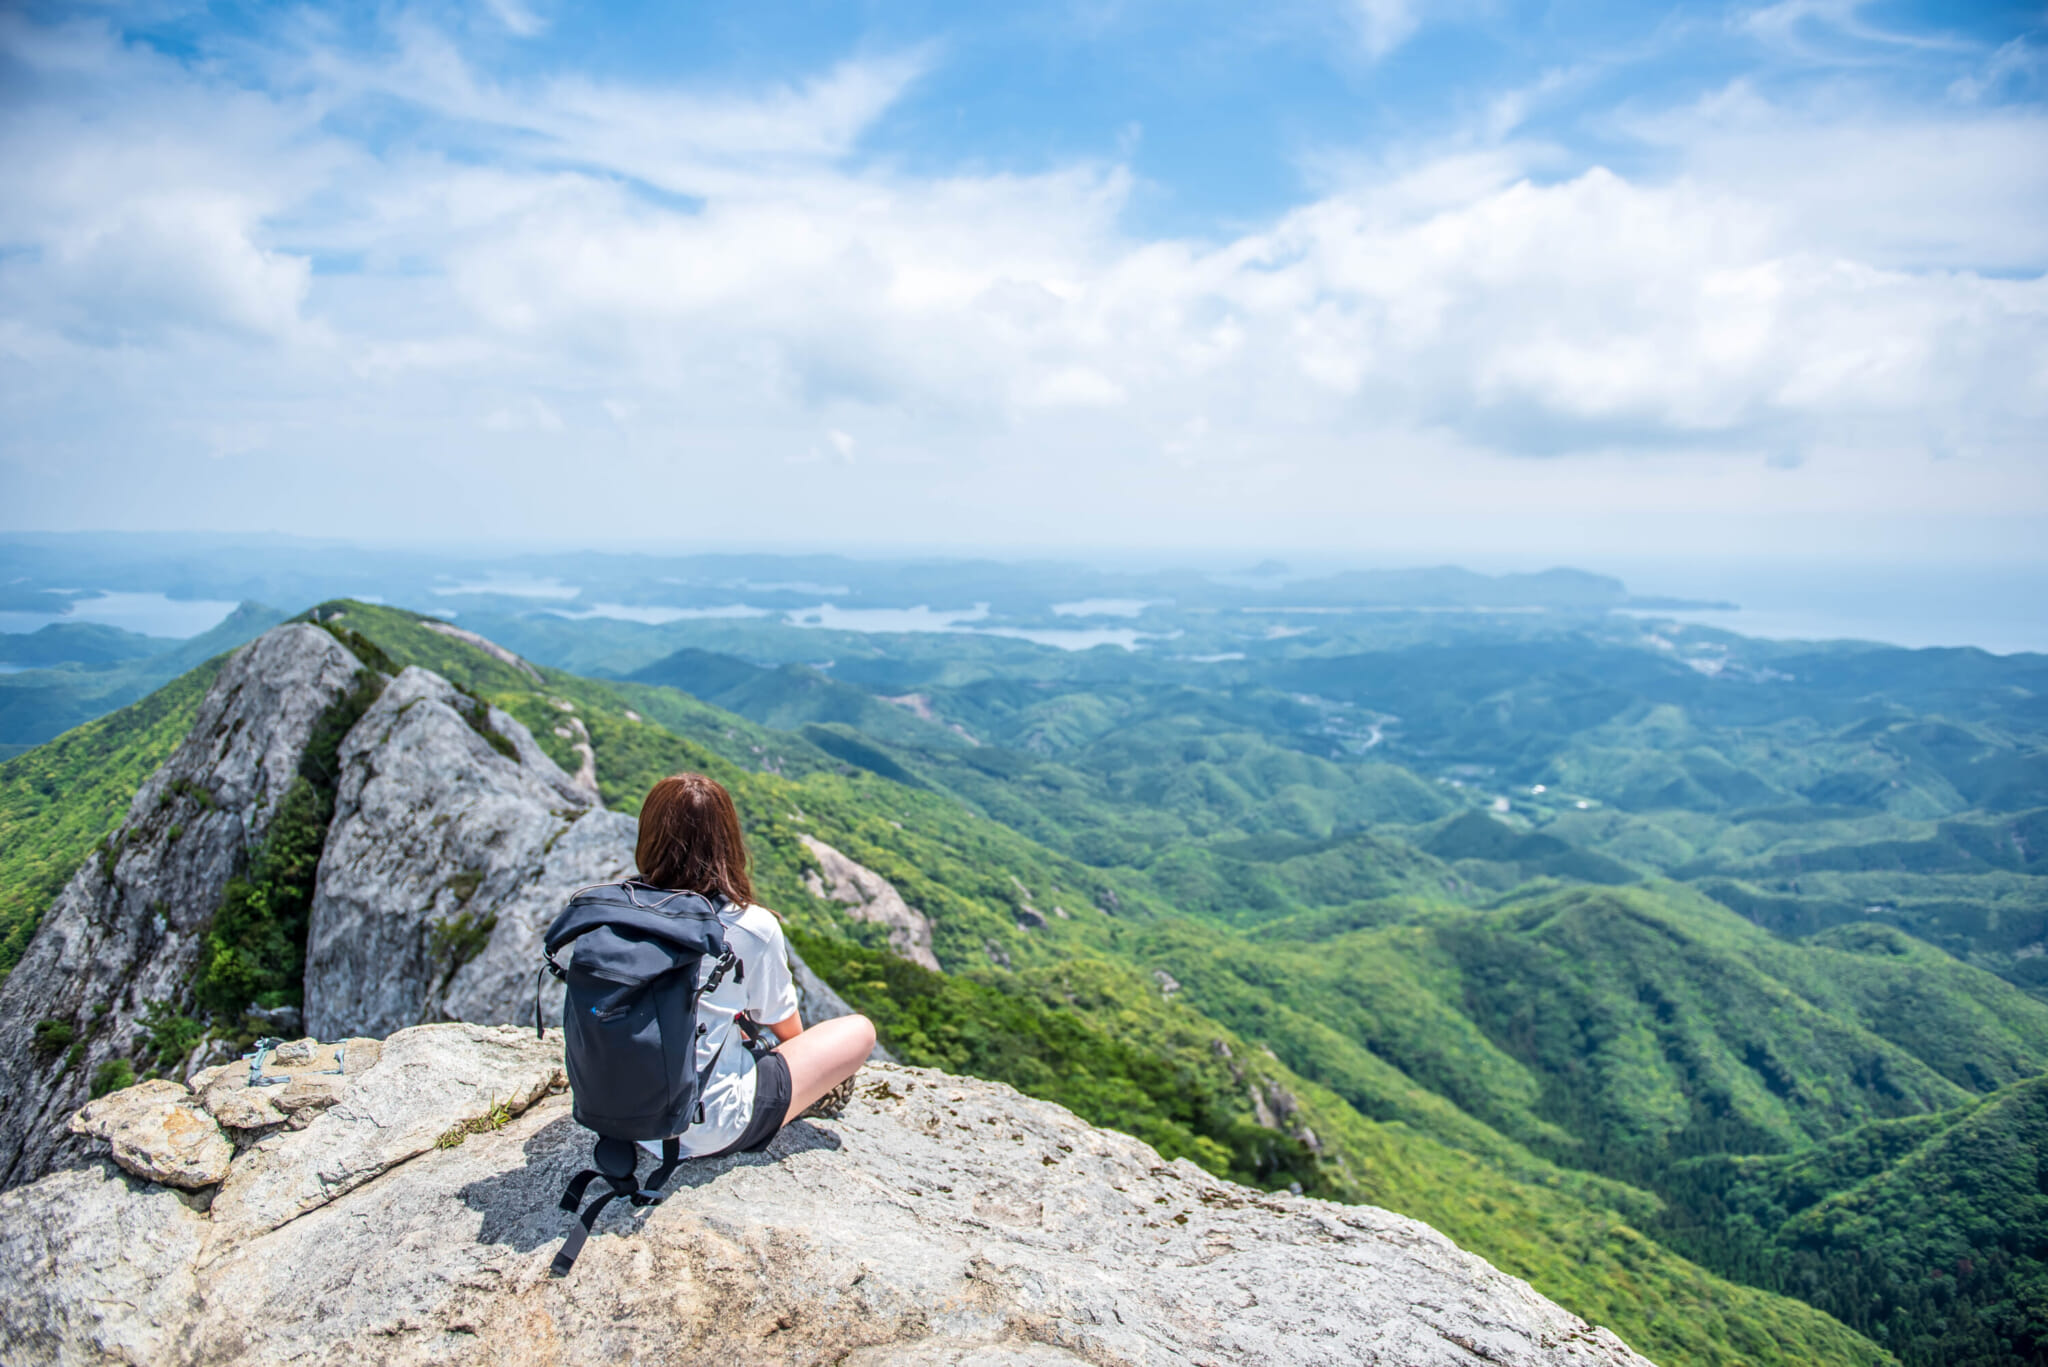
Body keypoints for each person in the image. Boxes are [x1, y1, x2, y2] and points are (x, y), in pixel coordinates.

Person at [632, 772, 876, 1161]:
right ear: (728, 842)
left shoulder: (615, 909)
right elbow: (789, 1034)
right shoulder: (750, 926)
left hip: (612, 1105)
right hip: (702, 1127)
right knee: (859, 1031)